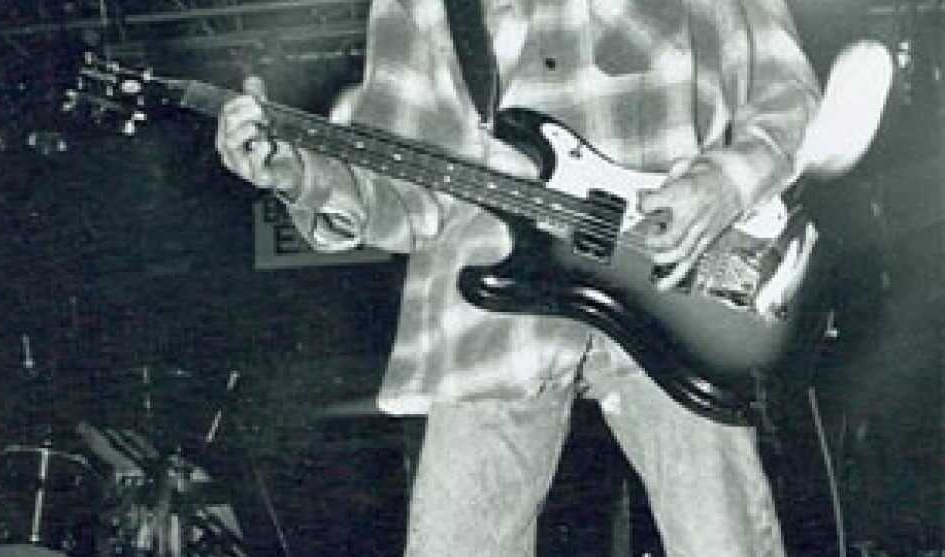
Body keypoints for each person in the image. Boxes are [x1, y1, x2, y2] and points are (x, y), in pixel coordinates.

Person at [216, 0, 821, 555]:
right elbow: (405, 196)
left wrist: (725, 184)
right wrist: (300, 175)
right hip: (492, 313)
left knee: (723, 540)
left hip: (680, 291)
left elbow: (786, 93)